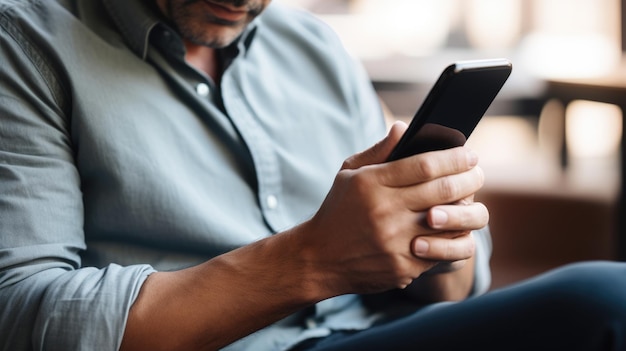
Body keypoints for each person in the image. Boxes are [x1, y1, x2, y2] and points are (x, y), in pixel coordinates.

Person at [0, 0, 625, 350]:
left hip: (385, 333)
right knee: (605, 301)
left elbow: (460, 286)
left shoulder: (311, 46)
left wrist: (433, 236)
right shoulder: (25, 43)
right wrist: (315, 260)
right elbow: (22, 314)